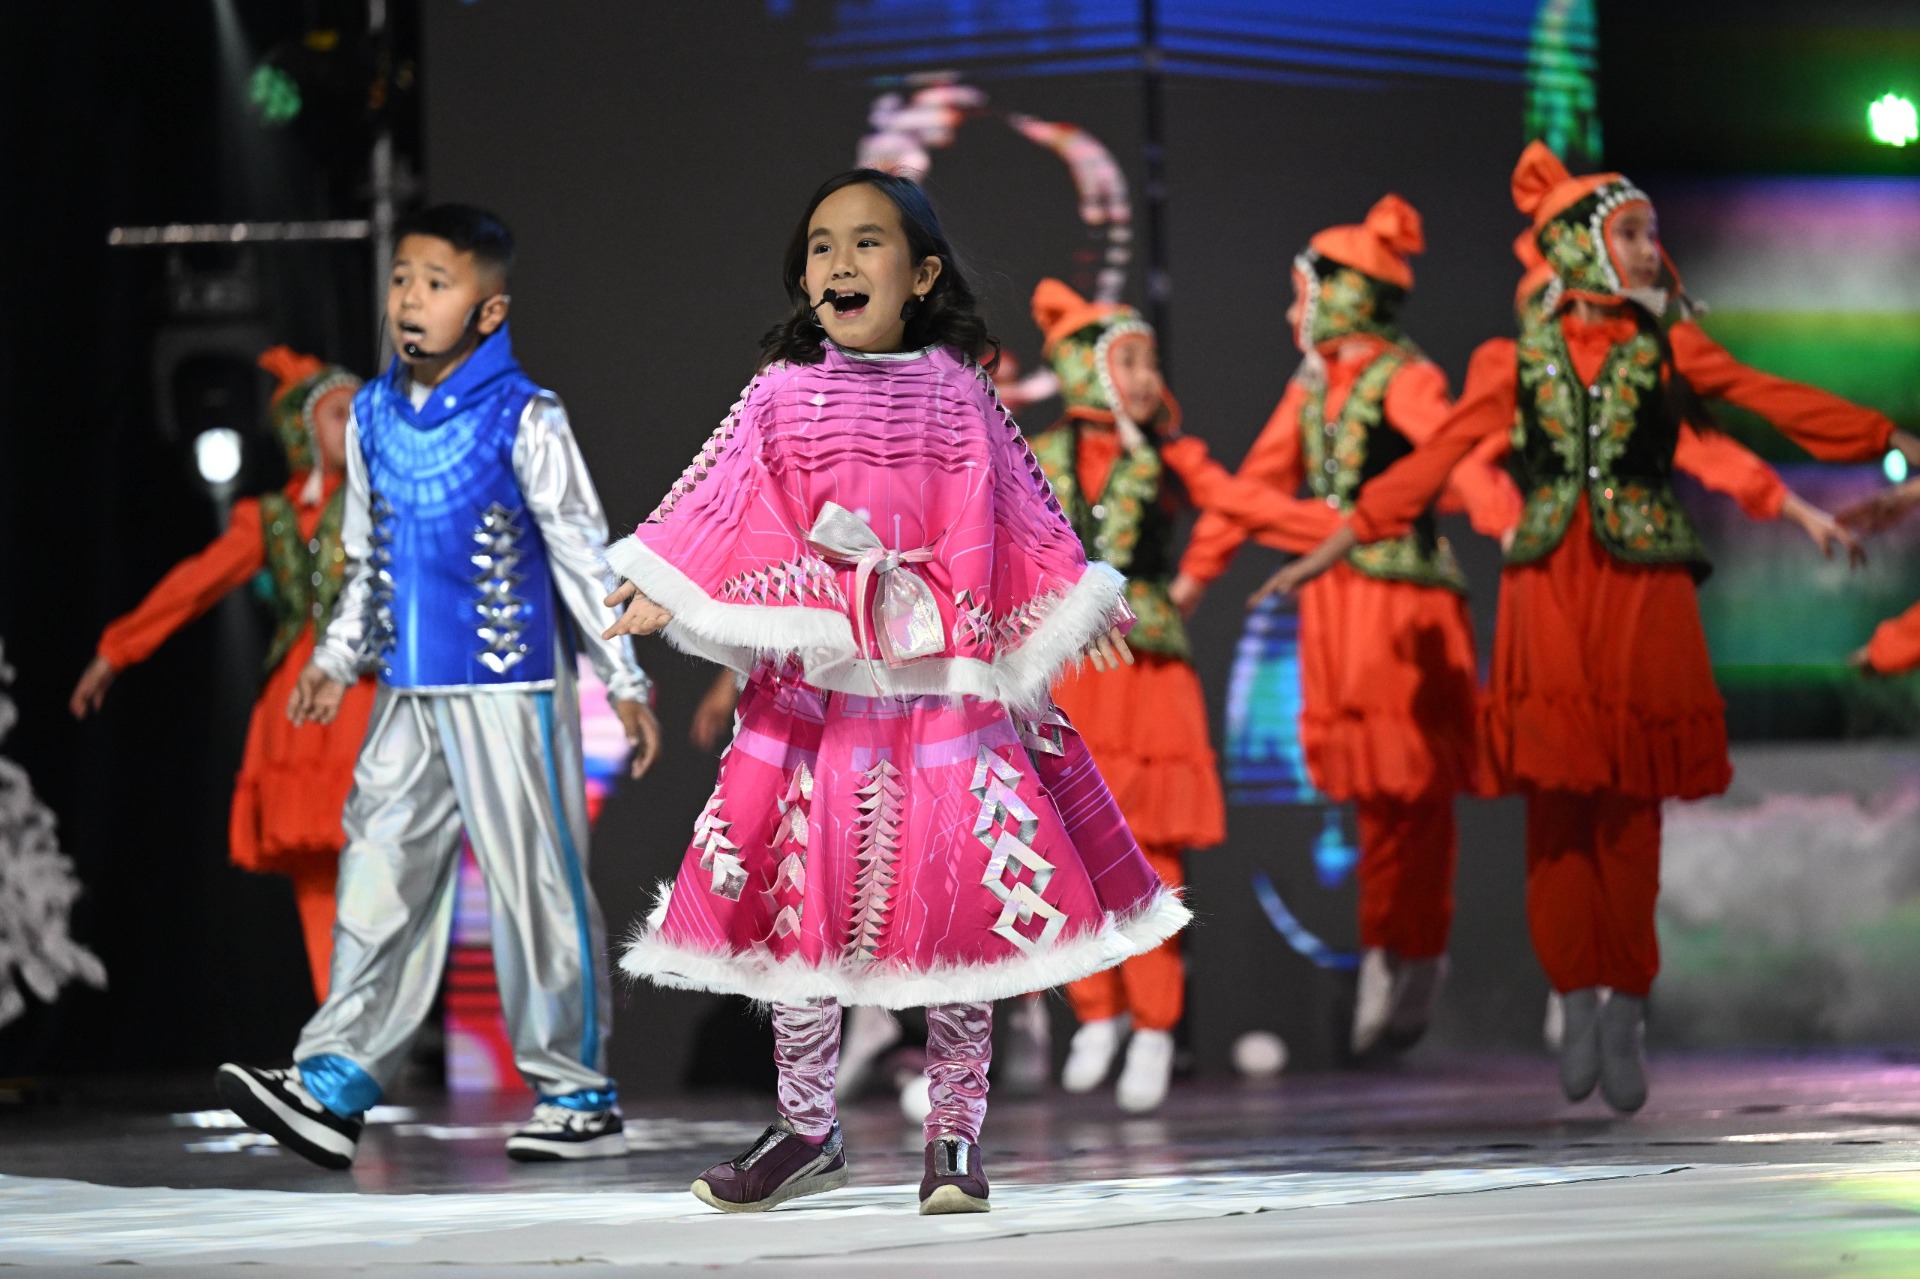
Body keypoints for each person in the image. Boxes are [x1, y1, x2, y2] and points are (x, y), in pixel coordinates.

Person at [1261, 145, 1916, 1113]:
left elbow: (1761, 399)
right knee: (1559, 805)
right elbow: (1437, 458)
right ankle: (1574, 990)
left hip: (1644, 586)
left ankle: (1626, 999)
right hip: (1550, 591)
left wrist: (1880, 436)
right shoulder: (1513, 361)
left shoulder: (1666, 348)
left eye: (1651, 233)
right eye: (1632, 234)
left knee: (1630, 803)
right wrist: (1343, 537)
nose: (1652, 251)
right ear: (1578, 248)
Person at [604, 170, 1186, 1215]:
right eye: (821, 245)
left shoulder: (959, 391)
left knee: (960, 910)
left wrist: (1070, 601)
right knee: (801, 906)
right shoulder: (783, 393)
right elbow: (728, 503)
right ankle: (804, 1127)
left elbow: (1017, 513)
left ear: (920, 275)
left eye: (866, 242)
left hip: (939, 685)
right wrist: (666, 585)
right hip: (820, 689)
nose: (839, 261)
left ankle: (954, 1132)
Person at [215, 204, 662, 1169]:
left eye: (437, 282)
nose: (411, 299)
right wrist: (337, 659)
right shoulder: (374, 415)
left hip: (510, 685)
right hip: (409, 690)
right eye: (402, 279)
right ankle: (334, 1081)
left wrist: (623, 675)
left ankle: (576, 1090)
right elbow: (368, 558)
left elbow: (582, 554)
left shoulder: (526, 416)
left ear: (489, 310)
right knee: (376, 875)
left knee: (535, 887)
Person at [1170, 197, 1516, 1056]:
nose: (1295, 312)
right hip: (1338, 602)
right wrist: (1195, 576)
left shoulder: (1404, 375)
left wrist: (1502, 515)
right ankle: (1390, 948)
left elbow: (1451, 451)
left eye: (1304, 293)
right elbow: (1259, 479)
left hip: (1403, 600)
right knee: (1370, 792)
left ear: (1346, 293)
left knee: (1414, 791)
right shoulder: (1313, 386)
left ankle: (1413, 948)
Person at [72, 348, 366, 1000]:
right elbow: (195, 584)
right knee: (320, 876)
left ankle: (380, 1015)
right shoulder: (276, 519)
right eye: (339, 414)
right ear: (301, 431)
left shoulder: (394, 507)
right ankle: (342, 1022)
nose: (355, 425)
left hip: (376, 698)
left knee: (390, 865)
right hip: (307, 708)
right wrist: (117, 649)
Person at [1022, 279, 1224, 1110]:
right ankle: (1097, 1010)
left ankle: (1155, 1024)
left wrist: (1193, 577)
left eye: (1149, 361)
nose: (1145, 378)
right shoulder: (1035, 452)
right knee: (1068, 844)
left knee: (1151, 848)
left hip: (1148, 670)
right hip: (1070, 670)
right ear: (1085, 369)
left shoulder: (1170, 456)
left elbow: (1235, 506)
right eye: (1127, 361)